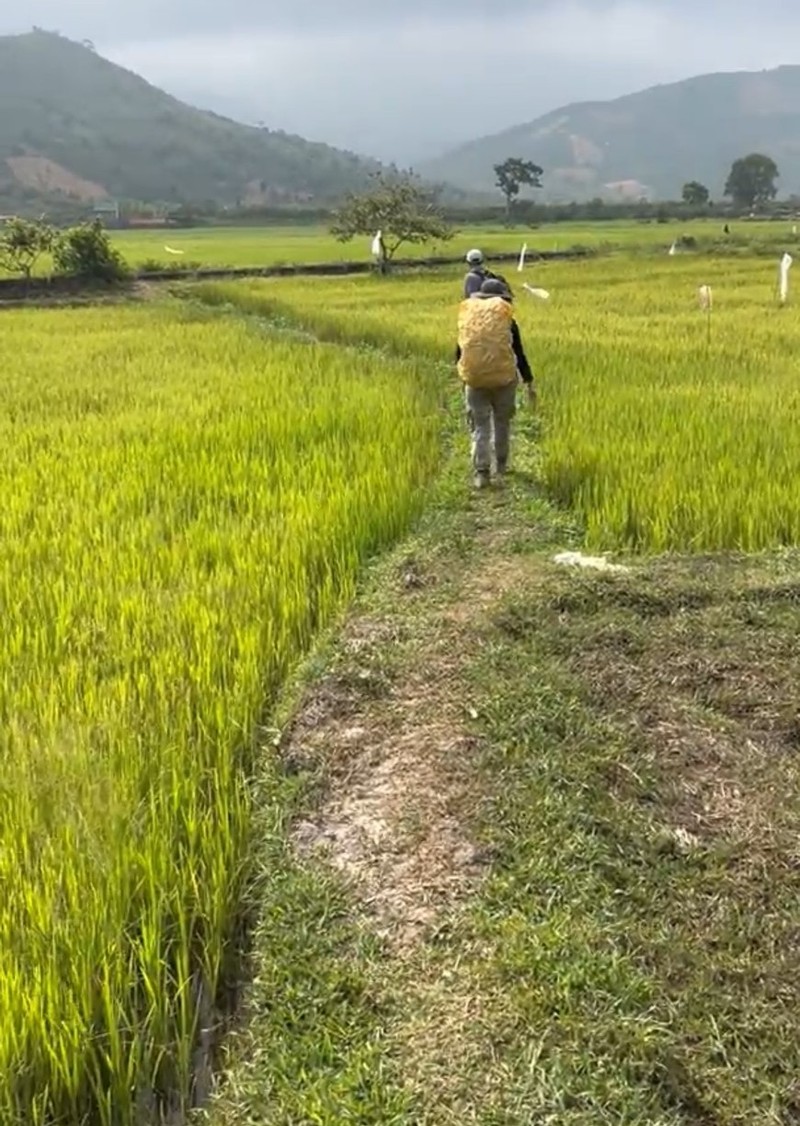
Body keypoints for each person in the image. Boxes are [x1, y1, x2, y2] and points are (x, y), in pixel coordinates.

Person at [455, 277, 535, 488]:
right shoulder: (508, 320)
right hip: (504, 380)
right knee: (502, 422)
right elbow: (518, 352)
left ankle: (482, 473)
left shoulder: (469, 320)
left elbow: (460, 352)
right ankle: (500, 465)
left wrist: (464, 377)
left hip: (475, 381)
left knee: (480, 427)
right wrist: (528, 380)